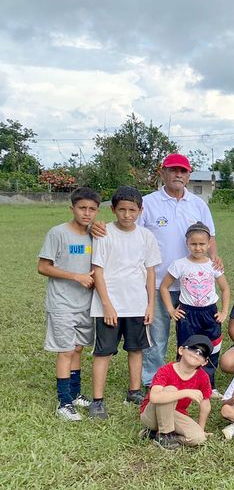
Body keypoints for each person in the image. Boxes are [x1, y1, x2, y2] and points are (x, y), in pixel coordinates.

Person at [133, 153, 220, 390]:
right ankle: (153, 379)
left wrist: (214, 260)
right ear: (163, 173)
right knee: (157, 334)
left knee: (192, 336)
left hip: (193, 287)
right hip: (158, 281)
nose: (178, 175)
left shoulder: (198, 204)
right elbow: (134, 234)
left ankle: (192, 377)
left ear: (189, 175)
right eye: (173, 170)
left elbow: (210, 237)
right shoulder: (148, 203)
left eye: (183, 171)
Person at [89, 186, 162, 420]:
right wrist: (107, 305)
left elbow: (150, 272)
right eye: (122, 210)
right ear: (113, 209)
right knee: (103, 352)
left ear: (141, 210)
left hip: (137, 304)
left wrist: (150, 305)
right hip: (108, 306)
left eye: (132, 210)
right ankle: (97, 401)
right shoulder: (104, 234)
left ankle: (134, 391)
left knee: (136, 349)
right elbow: (97, 271)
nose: (127, 215)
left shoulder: (146, 236)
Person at [38, 186, 102, 421]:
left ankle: (75, 394)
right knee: (65, 351)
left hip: (85, 303)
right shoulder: (58, 233)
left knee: (77, 349)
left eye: (92, 209)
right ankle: (64, 402)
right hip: (62, 302)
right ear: (72, 208)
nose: (87, 213)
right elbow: (43, 267)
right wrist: (76, 276)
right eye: (82, 208)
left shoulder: (94, 235)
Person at [159, 222, 230, 395]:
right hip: (188, 313)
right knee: (185, 348)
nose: (198, 248)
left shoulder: (213, 265)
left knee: (211, 348)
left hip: (210, 313)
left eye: (202, 244)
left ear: (209, 244)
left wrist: (224, 312)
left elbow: (225, 289)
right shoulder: (179, 264)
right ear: (187, 244)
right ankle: (181, 383)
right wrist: (171, 310)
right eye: (193, 244)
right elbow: (164, 287)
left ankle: (209, 385)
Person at [138, 334, 213, 450]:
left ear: (204, 362)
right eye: (193, 348)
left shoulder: (203, 377)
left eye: (202, 353)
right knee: (170, 390)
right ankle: (165, 435)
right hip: (151, 415)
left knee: (199, 438)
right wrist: (186, 392)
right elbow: (154, 397)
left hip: (175, 415)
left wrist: (201, 428)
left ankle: (154, 434)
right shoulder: (166, 370)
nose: (197, 353)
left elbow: (205, 404)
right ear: (181, 350)